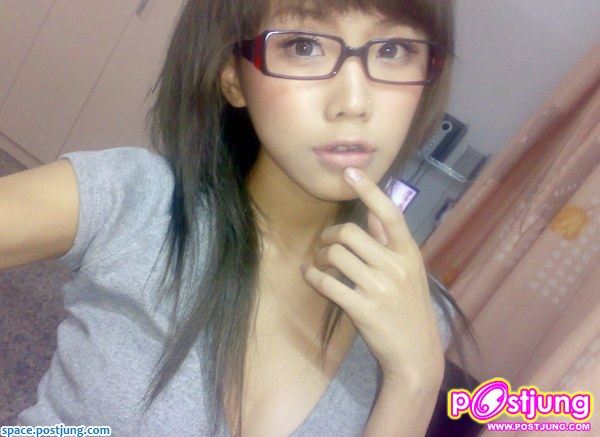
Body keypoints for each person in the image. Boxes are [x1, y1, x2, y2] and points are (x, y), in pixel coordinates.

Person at [7, 0, 476, 435]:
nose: (354, 102)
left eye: (393, 50)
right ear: (233, 77)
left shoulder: (416, 312)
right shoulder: (138, 201)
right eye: (304, 46)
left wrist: (415, 382)